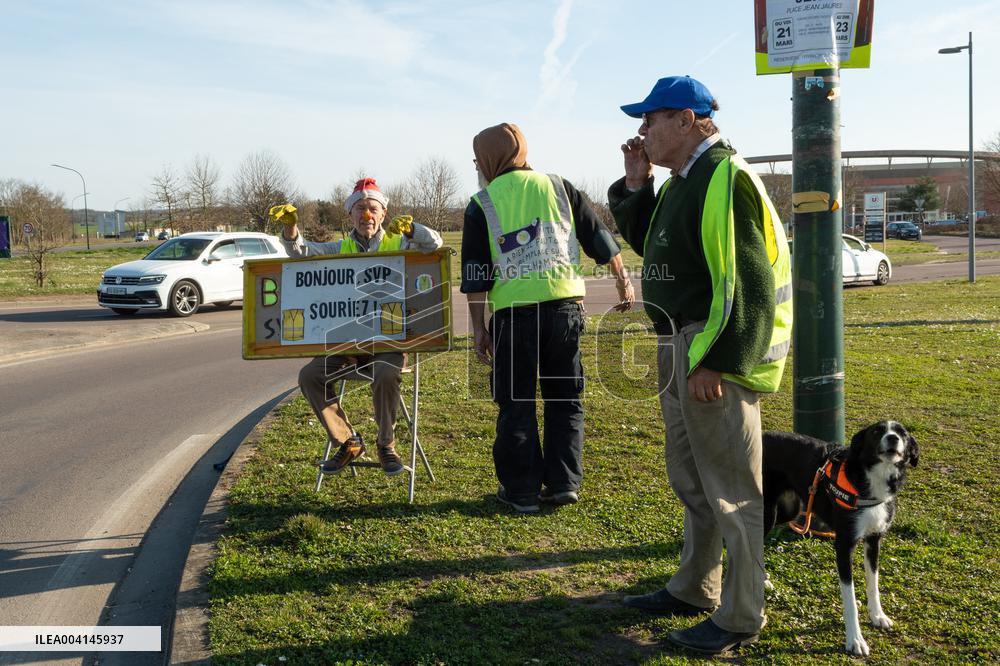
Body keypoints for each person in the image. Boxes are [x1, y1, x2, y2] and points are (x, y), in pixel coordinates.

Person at [608, 76, 792, 654]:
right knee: (692, 479)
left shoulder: (724, 177)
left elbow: (750, 283)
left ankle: (740, 616)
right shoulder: (685, 181)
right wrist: (638, 185)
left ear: (687, 121)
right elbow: (654, 245)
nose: (642, 131)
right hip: (679, 344)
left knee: (732, 487)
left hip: (709, 351)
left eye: (651, 119)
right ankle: (694, 587)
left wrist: (715, 361)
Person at [461, 122, 635, 514]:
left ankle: (521, 490)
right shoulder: (560, 187)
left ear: (489, 159)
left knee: (516, 401)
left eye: (477, 160)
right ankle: (563, 483)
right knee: (565, 396)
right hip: (565, 311)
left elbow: (475, 275)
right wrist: (624, 281)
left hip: (514, 315)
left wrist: (477, 327)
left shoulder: (481, 203)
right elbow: (599, 238)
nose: (477, 167)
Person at [274, 178, 443, 476]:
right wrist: (291, 229)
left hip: (389, 343)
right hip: (347, 344)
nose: (367, 214)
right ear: (350, 214)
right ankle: (347, 441)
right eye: (360, 208)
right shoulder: (341, 247)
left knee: (386, 373)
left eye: (373, 208)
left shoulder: (399, 241)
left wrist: (412, 230)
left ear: (383, 212)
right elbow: (299, 254)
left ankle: (386, 444)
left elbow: (436, 244)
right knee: (310, 375)